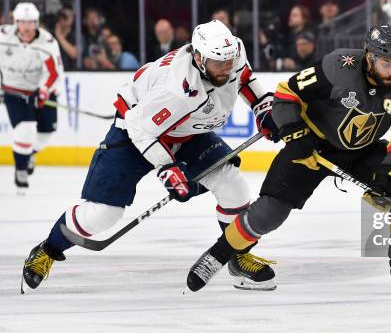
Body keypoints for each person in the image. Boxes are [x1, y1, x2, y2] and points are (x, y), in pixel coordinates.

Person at [21, 20, 280, 294]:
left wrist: (263, 107)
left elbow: (244, 77)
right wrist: (168, 168)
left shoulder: (231, 53)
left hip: (186, 131)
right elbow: (140, 128)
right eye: (219, 63)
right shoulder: (176, 89)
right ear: (199, 58)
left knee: (234, 186)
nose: (226, 68)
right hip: (135, 132)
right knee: (102, 215)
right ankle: (47, 249)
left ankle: (237, 256)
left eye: (228, 60)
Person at [185, 24, 391, 294]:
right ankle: (218, 255)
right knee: (271, 212)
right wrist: (294, 133)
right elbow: (287, 93)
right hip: (312, 145)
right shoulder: (338, 66)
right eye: (385, 63)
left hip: (362, 150)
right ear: (369, 57)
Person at [0, 2, 63, 194]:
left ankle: (30, 154)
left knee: (46, 132)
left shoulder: (48, 42)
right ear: (16, 22)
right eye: (23, 22)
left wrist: (44, 90)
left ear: (37, 23)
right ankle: (21, 170)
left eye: (31, 23)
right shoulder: (3, 36)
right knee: (25, 129)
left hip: (40, 91)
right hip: (14, 91)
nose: (27, 27)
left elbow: (54, 72)